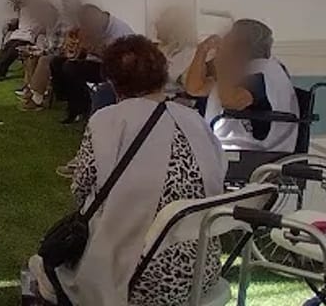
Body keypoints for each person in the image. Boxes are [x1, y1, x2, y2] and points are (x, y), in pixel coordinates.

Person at [29, 35, 227, 306]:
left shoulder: (106, 121)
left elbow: (80, 188)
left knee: (45, 266)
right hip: (201, 271)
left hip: (134, 278)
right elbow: (219, 174)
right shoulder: (195, 120)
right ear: (162, 73)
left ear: (112, 81)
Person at [186, 19, 298, 152]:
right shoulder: (238, 65)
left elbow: (231, 101)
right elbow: (194, 88)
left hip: (256, 149)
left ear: (242, 46)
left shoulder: (263, 70)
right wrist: (202, 51)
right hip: (226, 144)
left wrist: (222, 63)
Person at [51, 4, 134, 123]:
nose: (86, 28)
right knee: (56, 62)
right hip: (95, 62)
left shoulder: (121, 32)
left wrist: (95, 50)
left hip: (113, 70)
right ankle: (72, 103)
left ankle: (82, 107)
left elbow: (123, 66)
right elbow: (77, 39)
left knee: (71, 68)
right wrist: (74, 44)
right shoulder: (93, 25)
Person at [19, 0, 83, 111]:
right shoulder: (54, 23)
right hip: (63, 53)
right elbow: (52, 45)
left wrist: (41, 52)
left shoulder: (66, 23)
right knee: (32, 57)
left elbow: (60, 49)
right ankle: (31, 90)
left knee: (44, 60)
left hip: (73, 56)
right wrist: (38, 50)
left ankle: (36, 97)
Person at [0, 0, 53, 82]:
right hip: (19, 34)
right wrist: (10, 25)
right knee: (9, 45)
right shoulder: (24, 9)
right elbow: (20, 21)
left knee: (14, 48)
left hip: (29, 36)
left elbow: (46, 23)